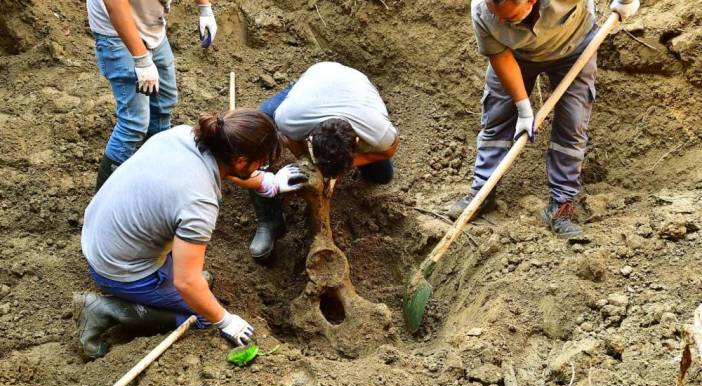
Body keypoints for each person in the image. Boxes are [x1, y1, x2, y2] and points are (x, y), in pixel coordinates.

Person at [73, 109, 307, 359]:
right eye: (261, 163)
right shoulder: (199, 203)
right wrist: (225, 320)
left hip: (99, 234)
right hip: (119, 269)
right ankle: (107, 311)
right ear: (240, 161)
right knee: (203, 316)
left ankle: (164, 284)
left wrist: (265, 182)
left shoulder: (182, 135)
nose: (262, 167)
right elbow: (186, 281)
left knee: (196, 286)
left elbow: (222, 170)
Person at [447, 0, 639, 238]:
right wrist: (524, 109)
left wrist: (626, 2)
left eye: (509, 17)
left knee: (572, 125)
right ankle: (482, 193)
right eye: (498, 17)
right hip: (515, 54)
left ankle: (561, 206)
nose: (502, 21)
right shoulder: (483, 11)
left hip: (574, 45)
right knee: (496, 119)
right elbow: (500, 57)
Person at [248, 61, 400, 260]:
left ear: (356, 142)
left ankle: (349, 164)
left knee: (382, 176)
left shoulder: (379, 133)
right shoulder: (291, 117)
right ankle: (271, 221)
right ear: (311, 138)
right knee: (254, 133)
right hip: (316, 81)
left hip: (356, 86)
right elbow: (289, 138)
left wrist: (348, 166)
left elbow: (390, 150)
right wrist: (307, 163)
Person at [87, 0, 219, 190]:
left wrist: (204, 7)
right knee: (134, 123)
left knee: (163, 105)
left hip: (151, 26)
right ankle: (104, 199)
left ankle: (156, 176)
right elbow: (114, 4)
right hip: (116, 33)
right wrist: (141, 60)